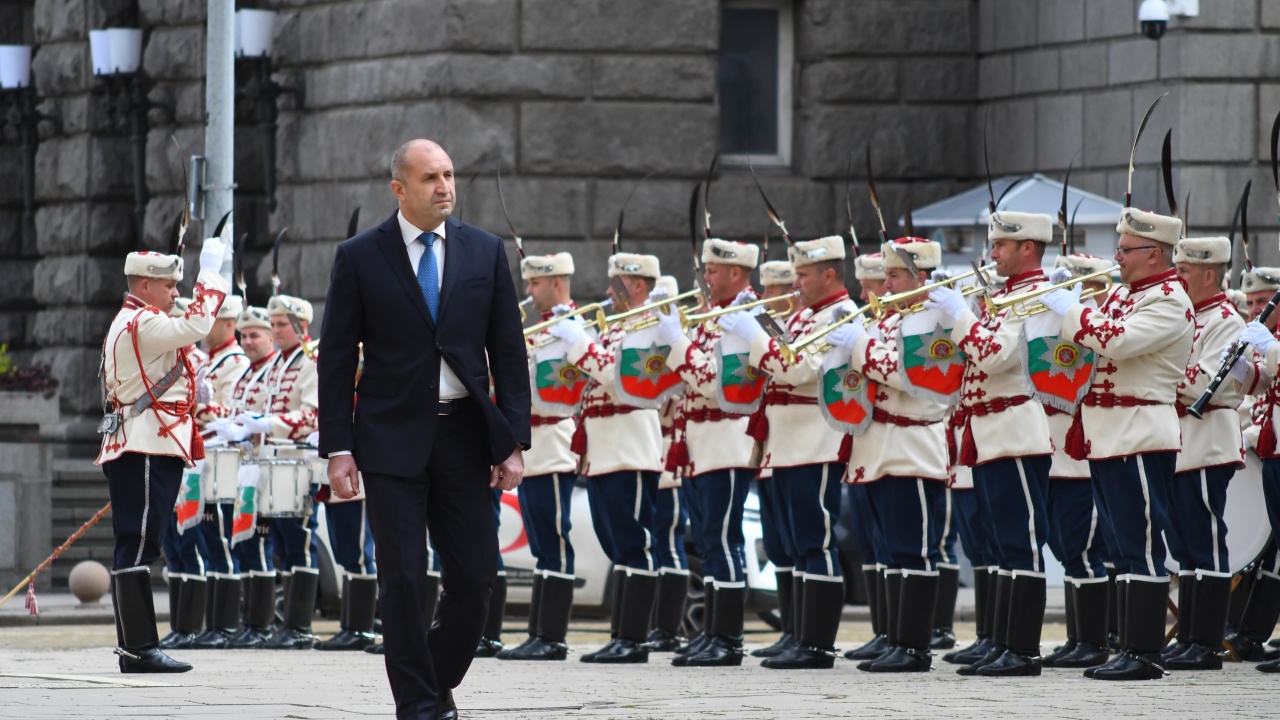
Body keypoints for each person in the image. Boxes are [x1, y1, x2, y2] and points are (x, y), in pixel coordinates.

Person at [319, 139, 529, 720]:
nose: (444, 187)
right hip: (389, 440)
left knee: (474, 577)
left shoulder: (484, 251)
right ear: (399, 189)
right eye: (430, 177)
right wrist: (338, 447)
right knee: (404, 579)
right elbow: (335, 358)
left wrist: (513, 438)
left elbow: (508, 352)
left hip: (464, 435)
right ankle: (417, 703)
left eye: (449, 174)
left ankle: (431, 679)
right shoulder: (360, 256)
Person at [1039, 207, 1194, 680]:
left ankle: (1145, 653)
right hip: (1109, 434)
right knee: (1122, 547)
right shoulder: (1125, 296)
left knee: (1142, 545)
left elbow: (1116, 341)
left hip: (1141, 431)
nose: (1117, 257)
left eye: (1125, 250)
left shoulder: (1169, 300)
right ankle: (1129, 647)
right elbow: (1086, 348)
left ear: (1153, 254)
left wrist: (1072, 309)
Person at [924, 212, 1056, 677]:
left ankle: (1022, 649)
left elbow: (996, 356)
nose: (992, 253)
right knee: (1001, 546)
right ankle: (1002, 643)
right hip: (990, 432)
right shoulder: (1005, 298)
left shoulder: (1036, 297)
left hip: (1017, 428)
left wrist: (959, 315)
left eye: (1000, 245)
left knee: (1022, 543)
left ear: (1028, 248)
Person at [720, 235, 855, 670]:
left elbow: (799, 369)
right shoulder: (805, 317)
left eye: (802, 275)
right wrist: (755, 323)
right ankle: (798, 635)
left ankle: (817, 645)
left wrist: (754, 336)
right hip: (787, 443)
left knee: (815, 543)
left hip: (813, 442)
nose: (794, 283)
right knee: (797, 546)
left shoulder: (839, 315)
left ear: (828, 274)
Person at [97, 237, 230, 673]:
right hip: (146, 444)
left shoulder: (135, 320)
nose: (177, 293)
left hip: (142, 442)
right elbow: (196, 326)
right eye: (170, 286)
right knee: (139, 546)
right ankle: (140, 649)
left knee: (135, 545)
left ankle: (134, 647)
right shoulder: (142, 322)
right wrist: (210, 270)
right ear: (146, 286)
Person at [826, 236, 951, 673]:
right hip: (877, 445)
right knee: (890, 552)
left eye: (894, 275)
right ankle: (896, 639)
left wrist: (858, 345)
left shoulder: (936, 317)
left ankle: (914, 647)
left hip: (911, 447)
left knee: (911, 549)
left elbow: (907, 375)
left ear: (920, 275)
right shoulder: (891, 319)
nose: (885, 284)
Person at [548, 252, 668, 664]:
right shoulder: (616, 328)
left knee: (635, 543)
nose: (606, 292)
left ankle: (633, 640)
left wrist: (578, 342)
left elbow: (620, 378)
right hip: (603, 450)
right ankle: (622, 635)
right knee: (616, 543)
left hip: (629, 448)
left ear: (638, 286)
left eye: (615, 283)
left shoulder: (649, 325)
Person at [656, 239, 761, 667]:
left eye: (713, 270)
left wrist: (675, 341)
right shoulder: (716, 318)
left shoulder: (743, 319)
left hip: (726, 442)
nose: (705, 277)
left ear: (736, 273)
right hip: (700, 444)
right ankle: (712, 633)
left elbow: (713, 380)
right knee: (708, 539)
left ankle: (728, 639)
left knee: (722, 539)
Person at [1162, 236, 1244, 671]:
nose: (1176, 278)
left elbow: (1204, 382)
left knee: (1207, 544)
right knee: (1186, 547)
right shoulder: (1186, 315)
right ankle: (1190, 636)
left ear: (1210, 275)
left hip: (1208, 440)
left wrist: (1155, 368)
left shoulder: (1226, 320)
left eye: (1185, 272)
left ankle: (1207, 643)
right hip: (1180, 444)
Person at [497, 252, 580, 662]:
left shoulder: (572, 329)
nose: (528, 292)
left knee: (556, 543)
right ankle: (539, 635)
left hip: (556, 446)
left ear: (556, 283)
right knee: (542, 547)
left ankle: (553, 637)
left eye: (535, 284)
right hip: (533, 448)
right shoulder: (542, 330)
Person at [1039, 254, 1113, 669]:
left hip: (1081, 457)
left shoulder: (1101, 327)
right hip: (1053, 454)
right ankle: (1076, 638)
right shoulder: (1062, 323)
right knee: (1067, 549)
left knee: (1084, 550)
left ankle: (1094, 641)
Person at [206, 304, 281, 648]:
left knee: (260, 544)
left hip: (266, 467)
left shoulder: (271, 371)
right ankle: (243, 625)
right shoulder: (247, 373)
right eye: (245, 335)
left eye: (256, 335)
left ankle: (261, 625)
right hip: (242, 467)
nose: (248, 341)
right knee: (246, 544)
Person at [749, 259, 803, 660]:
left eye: (773, 291)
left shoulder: (821, 322)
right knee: (782, 545)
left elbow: (798, 370)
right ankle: (792, 632)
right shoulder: (791, 327)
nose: (765, 297)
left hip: (804, 445)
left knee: (807, 544)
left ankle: (810, 640)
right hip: (775, 446)